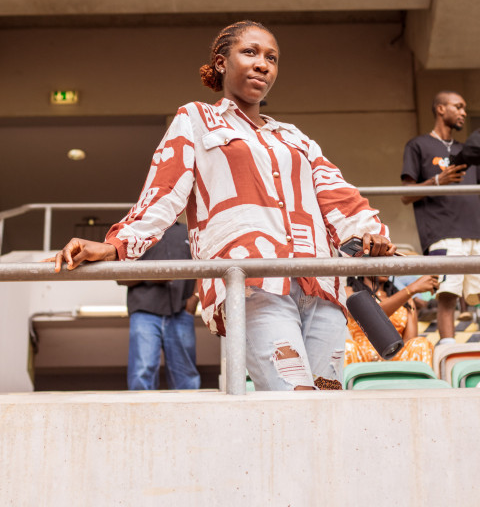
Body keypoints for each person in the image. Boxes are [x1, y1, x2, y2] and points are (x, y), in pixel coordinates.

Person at [48, 19, 395, 391]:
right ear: (220, 63)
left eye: (272, 58)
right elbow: (163, 192)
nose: (263, 64)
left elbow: (340, 195)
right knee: (292, 398)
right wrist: (113, 244)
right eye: (250, 52)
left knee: (326, 407)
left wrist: (372, 236)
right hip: (253, 285)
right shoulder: (196, 120)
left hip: (322, 287)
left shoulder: (295, 138)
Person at [401, 90, 480, 345]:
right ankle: (450, 359)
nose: (464, 113)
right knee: (447, 296)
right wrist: (437, 181)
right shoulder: (418, 145)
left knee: (476, 296)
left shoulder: (467, 150)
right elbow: (405, 195)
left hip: (475, 232)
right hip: (443, 233)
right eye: (458, 106)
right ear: (440, 109)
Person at [118, 221, 201, 391]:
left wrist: (194, 299)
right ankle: (141, 417)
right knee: (142, 371)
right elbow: (120, 276)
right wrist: (151, 275)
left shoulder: (189, 231)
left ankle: (189, 417)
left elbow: (203, 265)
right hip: (144, 310)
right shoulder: (134, 231)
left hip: (182, 310)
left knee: (186, 374)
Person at [344, 274, 439, 366]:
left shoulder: (407, 300)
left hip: (395, 358)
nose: (385, 268)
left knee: (420, 344)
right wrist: (411, 289)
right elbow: (372, 317)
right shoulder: (349, 292)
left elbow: (410, 340)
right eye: (380, 261)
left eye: (388, 263)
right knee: (347, 346)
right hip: (361, 359)